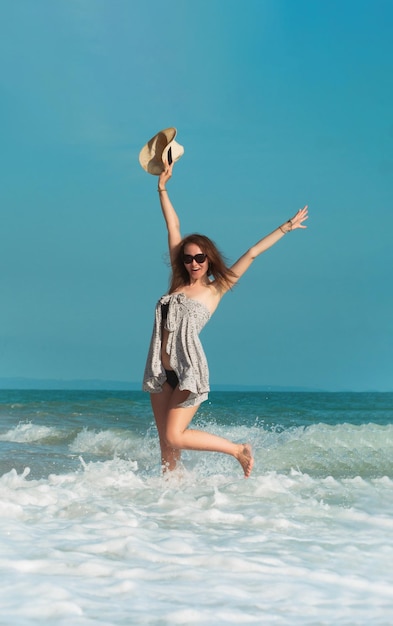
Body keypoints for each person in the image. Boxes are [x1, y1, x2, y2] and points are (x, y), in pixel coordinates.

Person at [143, 162, 308, 478]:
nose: (193, 263)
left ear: (209, 260)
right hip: (161, 371)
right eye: (188, 258)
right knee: (167, 450)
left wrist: (285, 227)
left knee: (175, 436)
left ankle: (237, 450)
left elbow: (253, 252)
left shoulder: (216, 289)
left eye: (200, 258)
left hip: (189, 369)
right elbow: (173, 226)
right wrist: (162, 188)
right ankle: (170, 508)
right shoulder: (177, 283)